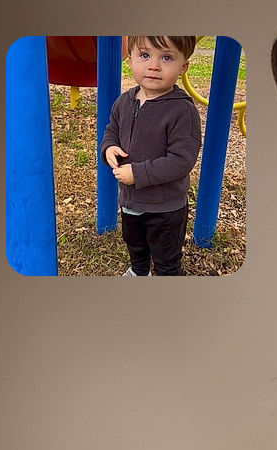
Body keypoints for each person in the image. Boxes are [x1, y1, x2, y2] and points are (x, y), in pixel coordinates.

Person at [100, 37, 201, 276]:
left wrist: (137, 173)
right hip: (130, 201)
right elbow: (111, 129)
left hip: (165, 208)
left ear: (183, 66)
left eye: (166, 57)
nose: (154, 65)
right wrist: (109, 148)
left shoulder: (182, 111)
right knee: (135, 245)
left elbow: (181, 160)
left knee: (166, 257)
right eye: (145, 55)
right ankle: (139, 271)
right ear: (130, 59)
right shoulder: (124, 101)